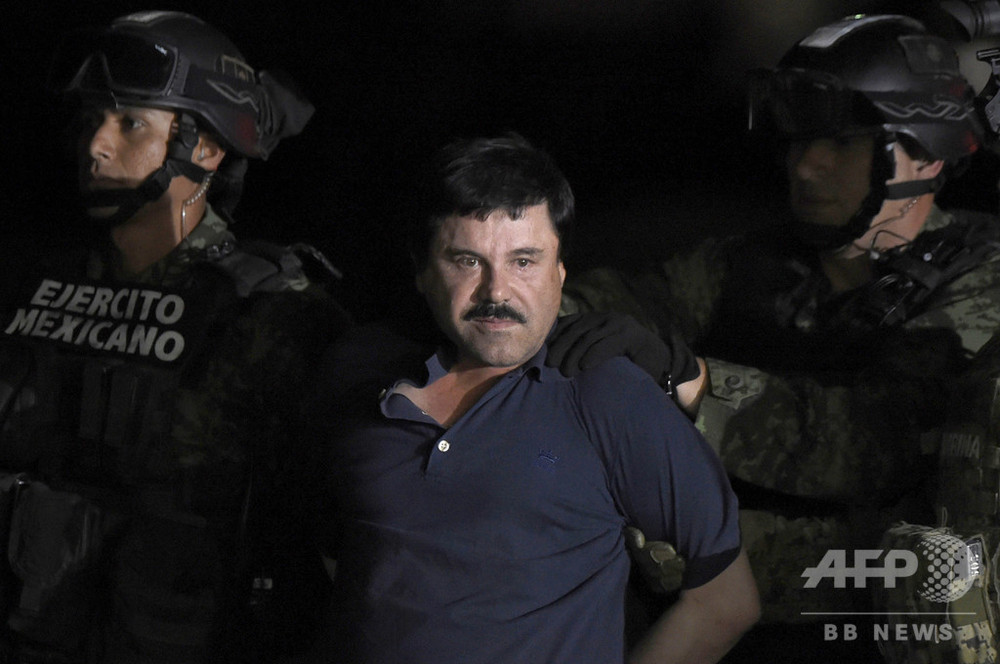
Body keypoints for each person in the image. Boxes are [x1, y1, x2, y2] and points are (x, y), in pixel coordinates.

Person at [555, 12, 1000, 636]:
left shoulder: (980, 281)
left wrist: (691, 381)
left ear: (924, 155)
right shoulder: (760, 262)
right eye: (797, 140)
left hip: (882, 602)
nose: (805, 166)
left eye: (840, 143)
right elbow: (628, 301)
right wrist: (521, 313)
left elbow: (877, 447)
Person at [308, 133, 759, 663]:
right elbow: (339, 561)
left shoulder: (608, 395)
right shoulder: (359, 381)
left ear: (560, 270)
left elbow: (725, 602)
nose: (496, 291)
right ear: (424, 271)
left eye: (524, 261)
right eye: (467, 261)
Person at [0, 10, 350, 663]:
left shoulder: (271, 316)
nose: (95, 145)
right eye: (92, 119)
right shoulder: (29, 287)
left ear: (207, 149)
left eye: (130, 123)